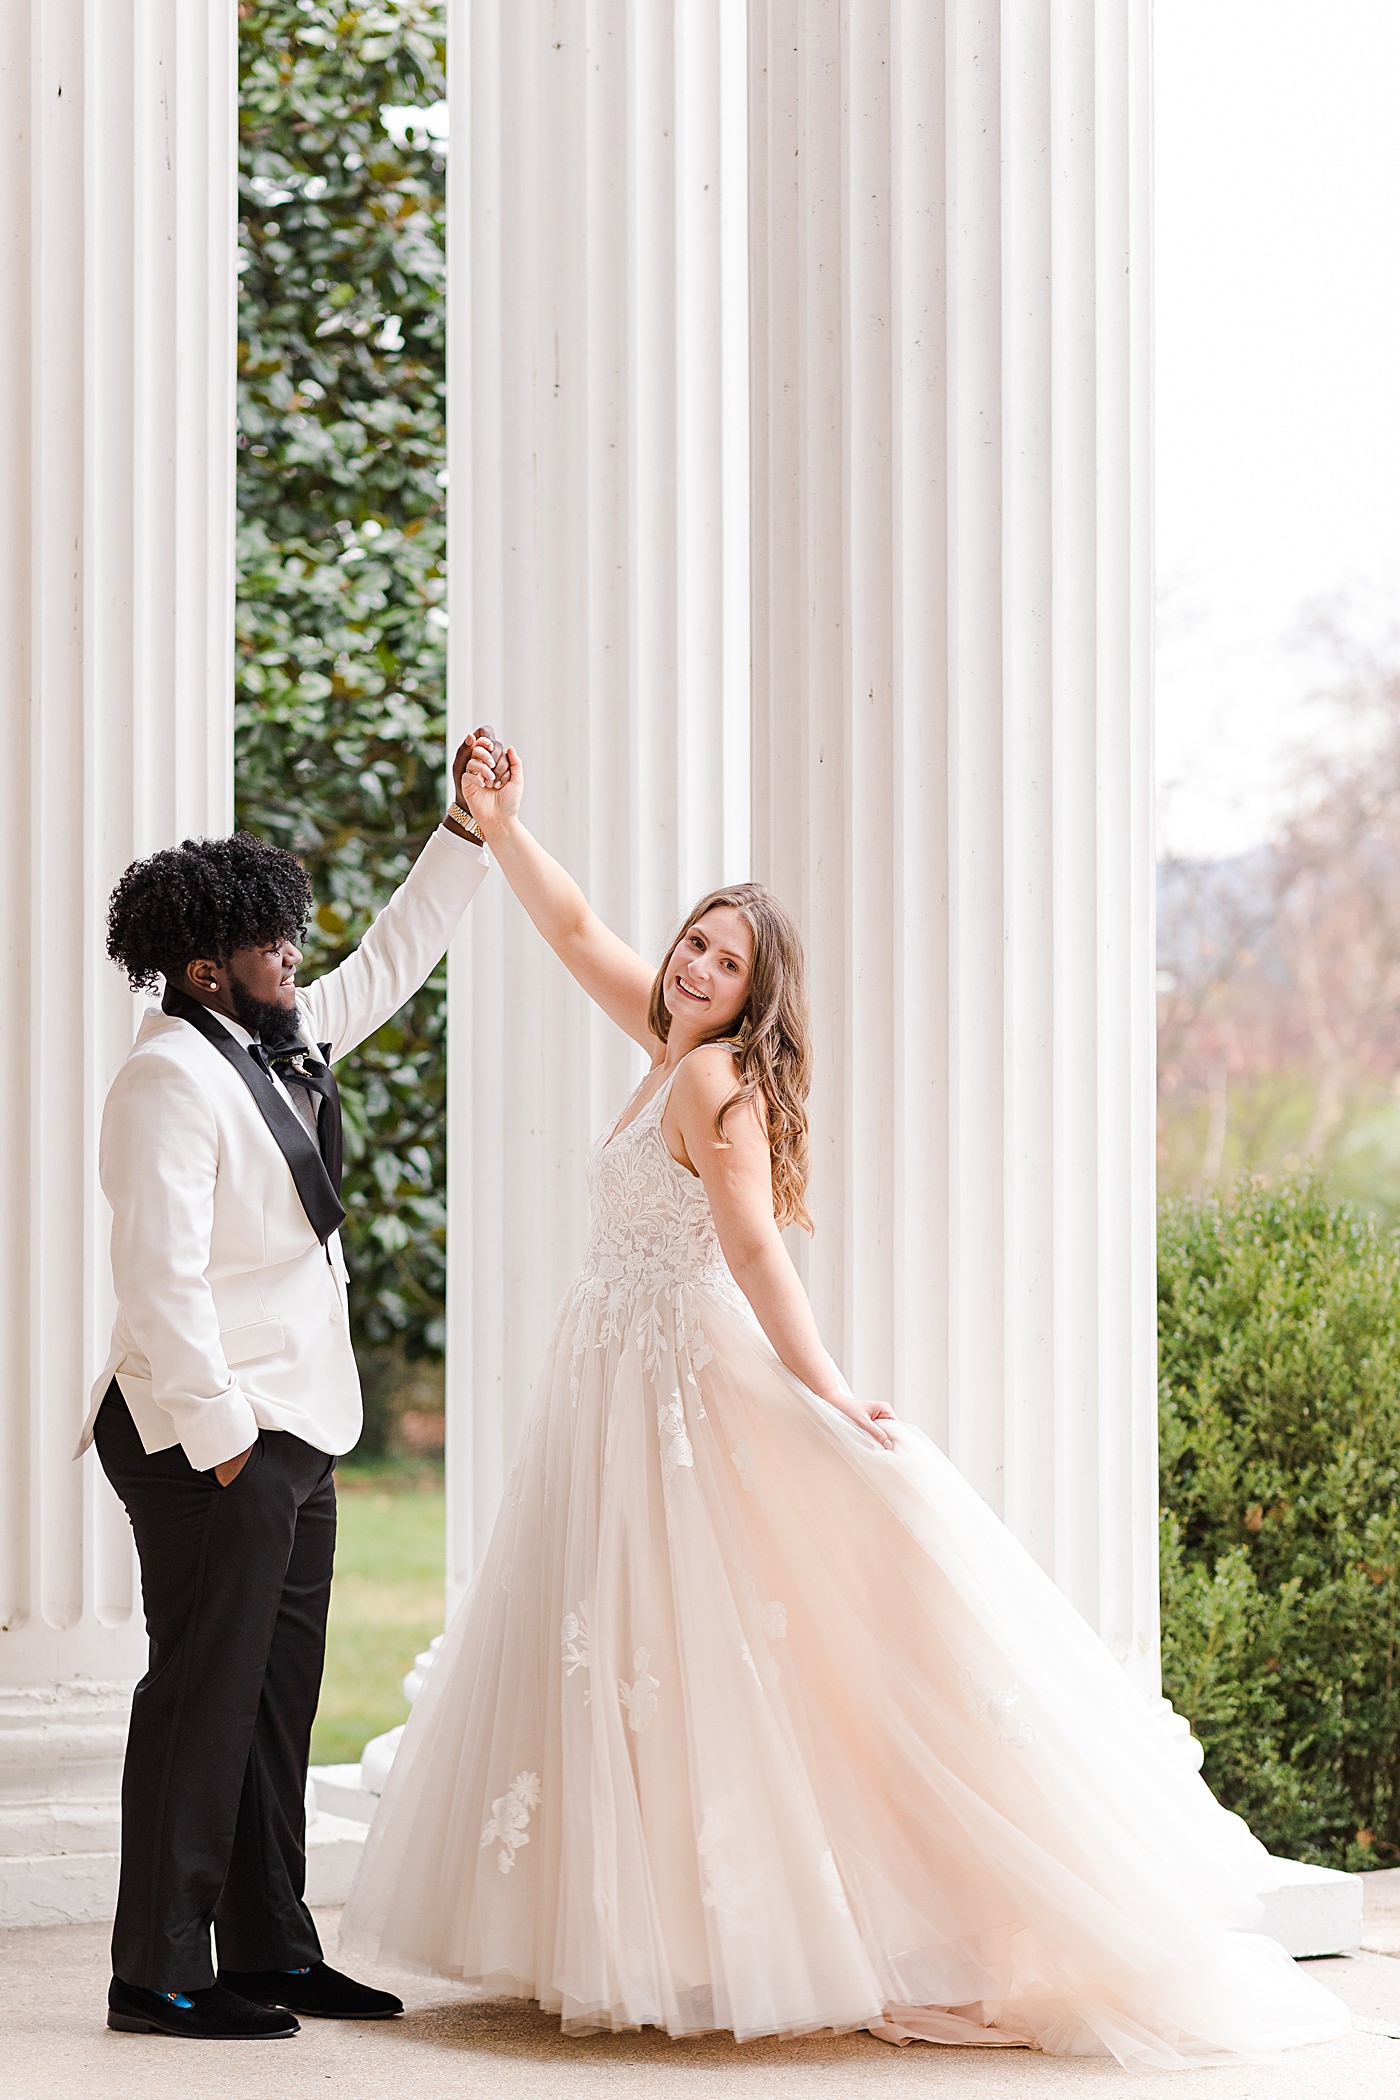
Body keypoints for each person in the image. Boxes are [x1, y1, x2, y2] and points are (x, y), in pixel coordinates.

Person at [339, 745, 1349, 2067]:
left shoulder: (711, 1081)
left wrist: (823, 1390)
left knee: (715, 1651)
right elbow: (579, 929)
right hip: (612, 1380)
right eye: (694, 943)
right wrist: (501, 829)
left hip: (675, 1389)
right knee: (639, 1650)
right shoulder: (666, 1043)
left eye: (726, 963)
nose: (695, 967)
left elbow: (755, 1249)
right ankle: (656, 1930)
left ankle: (805, 1932)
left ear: (757, 999)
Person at [84, 731, 502, 2041]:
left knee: (275, 1706)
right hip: (209, 1431)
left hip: (296, 1427)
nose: (296, 955)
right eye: (274, 941)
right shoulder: (168, 1078)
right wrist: (220, 1443)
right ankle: (156, 1970)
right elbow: (161, 1284)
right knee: (201, 1702)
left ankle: (270, 1948)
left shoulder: (273, 1037)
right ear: (208, 964)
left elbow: (388, 962)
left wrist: (468, 833)